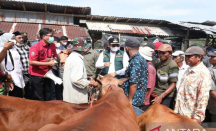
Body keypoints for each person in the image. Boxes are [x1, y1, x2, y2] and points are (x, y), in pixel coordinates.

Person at [174, 46, 212, 123]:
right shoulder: (189, 69)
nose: (186, 58)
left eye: (189, 56)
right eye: (186, 56)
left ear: (199, 57)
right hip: (180, 113)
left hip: (191, 116)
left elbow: (203, 97)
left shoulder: (203, 73)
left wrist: (197, 117)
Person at [63, 37, 95, 103]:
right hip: (76, 97)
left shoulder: (71, 57)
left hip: (70, 94)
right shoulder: (78, 60)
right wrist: (89, 82)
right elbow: (76, 80)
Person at [28, 28, 57, 101]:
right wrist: (48, 62)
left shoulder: (52, 45)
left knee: (48, 94)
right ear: (44, 36)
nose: (52, 38)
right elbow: (31, 62)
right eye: (50, 36)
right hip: (37, 74)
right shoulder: (35, 46)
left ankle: (45, 111)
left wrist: (53, 59)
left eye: (52, 35)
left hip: (48, 73)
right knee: (38, 95)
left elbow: (55, 56)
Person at [122, 38, 148, 116]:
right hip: (139, 97)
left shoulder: (135, 61)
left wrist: (130, 99)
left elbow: (134, 83)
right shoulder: (142, 59)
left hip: (134, 100)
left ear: (127, 48)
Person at [151, 44, 179, 109]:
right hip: (156, 92)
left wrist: (161, 96)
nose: (161, 55)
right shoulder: (158, 63)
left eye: (163, 53)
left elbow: (173, 84)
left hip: (166, 95)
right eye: (159, 52)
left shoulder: (172, 65)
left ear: (170, 54)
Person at [0, 32, 25, 98]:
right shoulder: (1, 49)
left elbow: (18, 60)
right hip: (9, 76)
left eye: (14, 39)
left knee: (19, 93)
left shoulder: (14, 48)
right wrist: (6, 76)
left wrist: (21, 69)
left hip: (18, 74)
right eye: (12, 39)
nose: (13, 41)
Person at [12, 31, 31, 99]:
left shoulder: (26, 47)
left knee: (29, 91)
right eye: (19, 38)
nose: (21, 39)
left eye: (22, 38)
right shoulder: (12, 49)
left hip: (28, 72)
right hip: (18, 73)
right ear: (14, 39)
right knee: (18, 91)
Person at [139, 46, 156, 111]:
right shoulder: (145, 66)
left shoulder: (149, 68)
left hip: (145, 101)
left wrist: (144, 99)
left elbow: (148, 86)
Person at [207, 50, 216, 122]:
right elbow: (212, 92)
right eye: (210, 56)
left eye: (213, 57)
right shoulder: (209, 71)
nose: (210, 58)